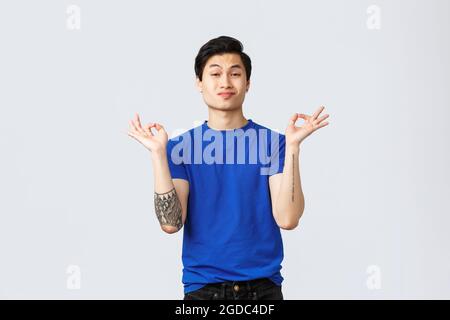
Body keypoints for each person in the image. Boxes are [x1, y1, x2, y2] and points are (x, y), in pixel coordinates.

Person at [127, 36, 330, 300]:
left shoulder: (275, 144)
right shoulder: (179, 148)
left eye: (235, 73)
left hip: (263, 290)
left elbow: (288, 219)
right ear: (199, 83)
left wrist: (293, 148)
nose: (225, 82)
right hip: (203, 290)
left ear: (247, 83)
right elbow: (171, 223)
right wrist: (157, 154)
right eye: (215, 74)